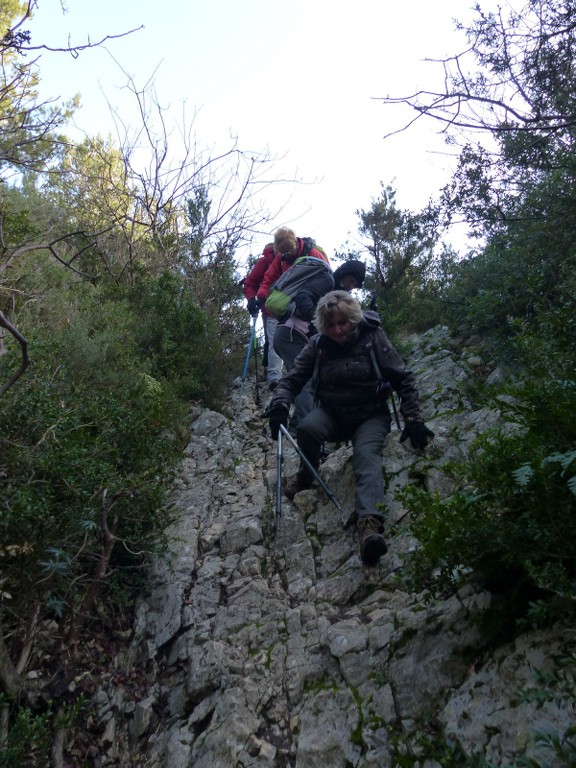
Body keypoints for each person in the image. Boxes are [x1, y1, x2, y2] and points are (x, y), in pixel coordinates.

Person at [267, 290, 434, 566]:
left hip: (370, 415)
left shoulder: (372, 337)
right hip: (332, 414)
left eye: (342, 323)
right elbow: (292, 379)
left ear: (353, 319)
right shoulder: (318, 344)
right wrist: (279, 406)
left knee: (366, 457)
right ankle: (306, 475)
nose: (337, 330)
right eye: (331, 325)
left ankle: (369, 528)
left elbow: (402, 377)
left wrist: (413, 418)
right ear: (323, 325)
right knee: (307, 427)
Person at [259, 227, 333, 426]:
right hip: (293, 320)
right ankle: (305, 422)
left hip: (303, 320)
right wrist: (261, 295)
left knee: (306, 372)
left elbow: (325, 284)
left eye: (289, 250)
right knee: (303, 375)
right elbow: (269, 277)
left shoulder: (313, 254)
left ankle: (302, 419)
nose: (287, 255)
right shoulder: (281, 258)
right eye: (283, 252)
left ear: (295, 242)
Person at [242, 243, 284, 390]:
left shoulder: (289, 259)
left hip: (281, 308)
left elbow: (249, 283)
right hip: (270, 309)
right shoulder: (265, 262)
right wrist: (252, 299)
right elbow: (249, 283)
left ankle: (273, 374)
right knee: (274, 341)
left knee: (273, 341)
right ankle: (274, 377)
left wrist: (252, 299)